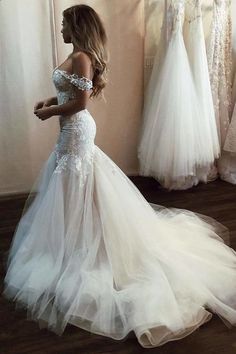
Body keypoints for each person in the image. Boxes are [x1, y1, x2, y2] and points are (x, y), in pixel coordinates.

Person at [3, 4, 236, 349]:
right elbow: (71, 93)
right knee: (71, 185)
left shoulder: (82, 57)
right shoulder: (76, 56)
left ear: (77, 26)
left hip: (77, 130)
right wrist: (52, 99)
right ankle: (75, 235)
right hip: (70, 131)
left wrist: (51, 110)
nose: (61, 29)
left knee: (77, 182)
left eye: (65, 24)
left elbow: (80, 103)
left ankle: (87, 242)